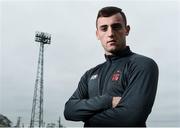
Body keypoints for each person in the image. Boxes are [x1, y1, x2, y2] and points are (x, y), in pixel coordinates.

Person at [64, 6, 159, 127]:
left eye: (116, 27)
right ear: (97, 34)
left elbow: (131, 117)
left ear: (127, 30)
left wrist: (87, 121)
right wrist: (108, 101)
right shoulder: (89, 75)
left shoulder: (142, 64)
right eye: (104, 28)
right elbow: (69, 110)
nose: (110, 33)